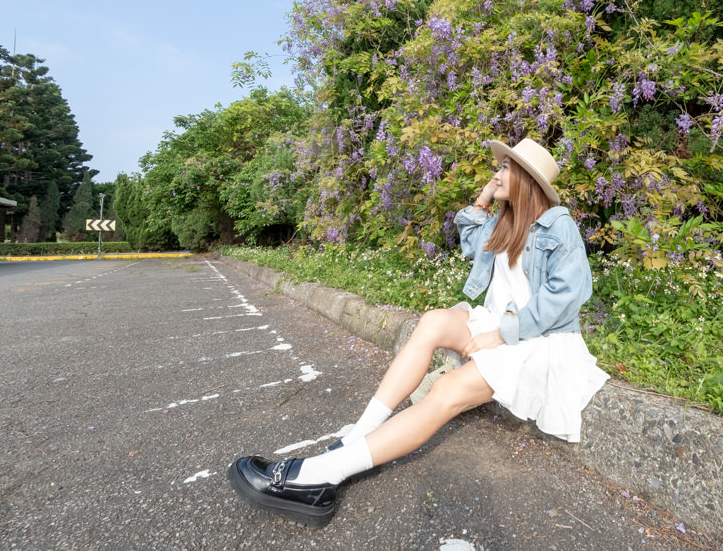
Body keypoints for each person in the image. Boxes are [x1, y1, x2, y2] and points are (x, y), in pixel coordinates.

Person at [227, 137, 610, 527]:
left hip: (538, 341)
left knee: (446, 391)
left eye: (505, 169)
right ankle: (359, 435)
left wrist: (503, 334)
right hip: (500, 326)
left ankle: (319, 476)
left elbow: (566, 298)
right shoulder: (505, 221)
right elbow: (468, 242)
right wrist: (483, 199)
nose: (496, 174)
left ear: (527, 179)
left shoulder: (559, 225)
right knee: (432, 322)